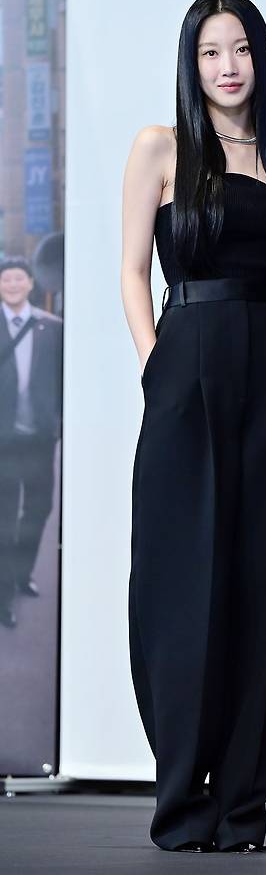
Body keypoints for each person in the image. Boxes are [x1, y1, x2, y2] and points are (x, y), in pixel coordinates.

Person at [121, 0, 266, 854]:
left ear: (260, 58)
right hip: (185, 359)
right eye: (210, 51)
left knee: (261, 581)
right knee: (178, 583)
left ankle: (241, 804)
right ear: (191, 64)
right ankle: (180, 797)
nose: (228, 66)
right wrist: (156, 364)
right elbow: (133, 272)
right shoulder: (160, 147)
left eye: (241, 49)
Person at [0, 256, 62, 630]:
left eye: (18, 278)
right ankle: (4, 593)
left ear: (29, 283)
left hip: (40, 438)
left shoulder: (51, 327)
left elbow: (63, 380)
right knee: (5, 517)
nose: (12, 284)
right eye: (5, 279)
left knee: (39, 510)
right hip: (4, 442)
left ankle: (21, 573)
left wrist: (58, 422)